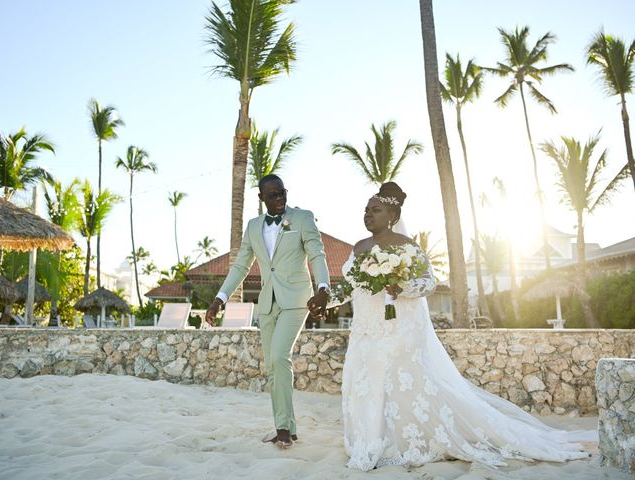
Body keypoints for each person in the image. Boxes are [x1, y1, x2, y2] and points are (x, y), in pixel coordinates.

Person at [332, 182, 592, 471]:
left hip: (400, 331)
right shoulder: (359, 247)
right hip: (366, 331)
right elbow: (347, 286)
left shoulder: (407, 247)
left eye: (375, 210)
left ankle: (403, 440)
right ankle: (370, 440)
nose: (368, 214)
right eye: (366, 210)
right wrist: (327, 299)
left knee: (403, 386)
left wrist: (401, 286)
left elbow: (428, 283)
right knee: (368, 383)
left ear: (392, 216)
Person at [205, 174, 330, 449]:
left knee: (278, 356)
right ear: (261, 199)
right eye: (272, 195)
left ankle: (284, 429)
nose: (279, 198)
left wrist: (323, 287)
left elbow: (317, 254)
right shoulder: (252, 227)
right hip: (267, 303)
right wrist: (220, 298)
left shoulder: (302, 218)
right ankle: (286, 426)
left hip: (296, 299)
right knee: (272, 367)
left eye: (282, 192)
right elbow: (241, 266)